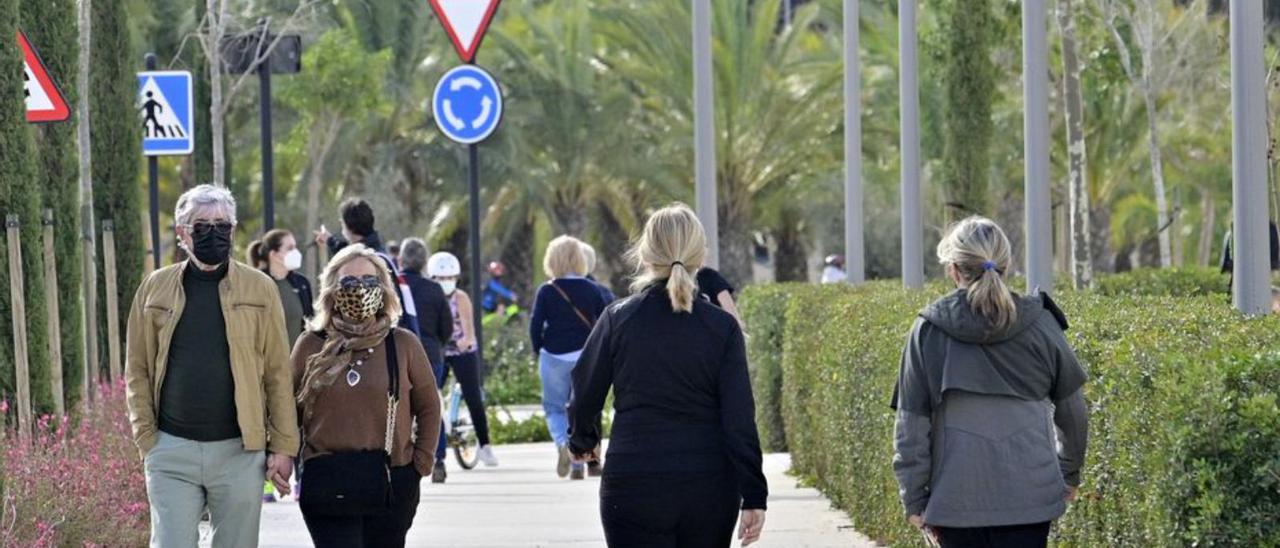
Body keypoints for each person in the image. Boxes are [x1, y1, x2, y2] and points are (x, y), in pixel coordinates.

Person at [569, 204, 768, 548]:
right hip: (709, 483)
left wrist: (583, 441)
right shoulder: (722, 327)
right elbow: (739, 419)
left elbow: (585, 389)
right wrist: (753, 494)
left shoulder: (618, 319)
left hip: (633, 478)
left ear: (645, 255)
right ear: (700, 256)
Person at [891, 216, 1089, 548]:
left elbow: (911, 426)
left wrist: (914, 498)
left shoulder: (928, 331)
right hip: (1031, 499)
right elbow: (1073, 413)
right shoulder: (1041, 324)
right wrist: (1068, 475)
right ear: (1007, 264)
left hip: (954, 502)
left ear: (954, 269)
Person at [125, 184, 299, 548]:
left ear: (233, 231)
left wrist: (283, 446)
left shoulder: (260, 289)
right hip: (171, 450)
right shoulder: (154, 289)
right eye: (201, 224)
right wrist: (147, 438)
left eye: (222, 224)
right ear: (182, 233)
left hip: (239, 451)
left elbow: (278, 374)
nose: (213, 232)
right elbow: (137, 369)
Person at [292, 244, 441, 548]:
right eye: (349, 282)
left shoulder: (402, 344)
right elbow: (286, 407)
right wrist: (286, 459)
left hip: (391, 479)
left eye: (369, 281)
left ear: (383, 289)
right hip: (328, 478)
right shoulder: (311, 344)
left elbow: (429, 406)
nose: (359, 290)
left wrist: (419, 465)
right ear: (332, 289)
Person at [530, 235, 609, 480]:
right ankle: (584, 460)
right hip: (584, 355)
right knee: (583, 408)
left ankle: (563, 444)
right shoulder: (592, 288)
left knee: (555, 407)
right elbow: (604, 321)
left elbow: (536, 325)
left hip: (553, 355)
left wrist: (538, 349)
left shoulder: (547, 290)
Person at [247, 228, 314, 502]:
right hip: (263, 367)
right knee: (263, 423)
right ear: (274, 254)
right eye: (290, 247)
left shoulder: (301, 284)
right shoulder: (258, 283)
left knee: (298, 422)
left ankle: (299, 478)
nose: (295, 252)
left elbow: (311, 323)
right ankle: (264, 482)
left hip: (298, 367)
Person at [426, 251, 499, 483]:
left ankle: (485, 444)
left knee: (473, 395)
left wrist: (463, 341)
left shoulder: (461, 298)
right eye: (440, 278)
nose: (446, 283)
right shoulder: (429, 297)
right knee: (429, 395)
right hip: (439, 352)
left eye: (451, 278)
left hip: (462, 351)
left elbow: (469, 331)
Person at [312, 198, 420, 337]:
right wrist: (330, 241)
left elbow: (390, 308)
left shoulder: (376, 261)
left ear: (347, 225)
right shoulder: (378, 255)